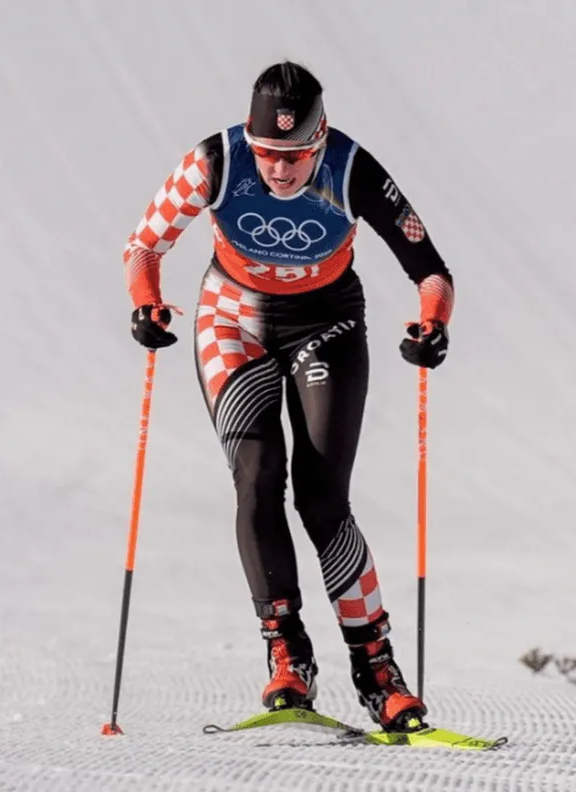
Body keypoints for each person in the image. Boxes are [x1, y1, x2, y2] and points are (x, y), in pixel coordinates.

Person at [121, 60, 453, 732]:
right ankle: (287, 653)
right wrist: (147, 303)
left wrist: (432, 325)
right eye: (270, 155)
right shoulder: (216, 160)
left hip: (325, 321)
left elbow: (431, 271)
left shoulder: (353, 168)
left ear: (319, 139)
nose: (280, 170)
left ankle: (377, 669)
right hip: (231, 319)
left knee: (323, 495)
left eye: (296, 155)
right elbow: (144, 244)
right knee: (257, 475)